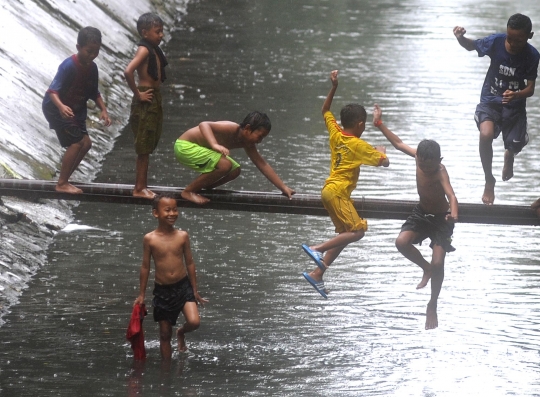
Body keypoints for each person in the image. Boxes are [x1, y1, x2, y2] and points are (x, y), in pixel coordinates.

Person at [301, 70, 389, 299]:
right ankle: (317, 249)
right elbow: (384, 163)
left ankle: (317, 274)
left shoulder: (336, 133)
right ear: (360, 124)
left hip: (329, 191)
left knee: (344, 233)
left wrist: (334, 87)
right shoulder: (358, 145)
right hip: (338, 193)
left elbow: (325, 110)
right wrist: (381, 151)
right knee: (358, 231)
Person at [373, 104, 458, 330]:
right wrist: (379, 124)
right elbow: (398, 143)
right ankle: (425, 268)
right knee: (401, 242)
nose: (425, 169)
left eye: (430, 166)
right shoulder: (417, 157)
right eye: (422, 164)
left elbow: (451, 194)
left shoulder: (440, 170)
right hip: (421, 214)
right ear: (418, 157)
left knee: (439, 261)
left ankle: (433, 303)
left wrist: (454, 215)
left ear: (439, 160)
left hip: (441, 219)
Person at [453, 14, 540, 205]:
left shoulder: (532, 56)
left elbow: (530, 89)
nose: (513, 43)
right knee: (486, 134)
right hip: (490, 100)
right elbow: (471, 46)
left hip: (514, 106)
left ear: (529, 36)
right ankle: (489, 180)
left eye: (519, 40)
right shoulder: (495, 42)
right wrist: (460, 38)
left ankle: (509, 155)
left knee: (515, 144)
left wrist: (516, 95)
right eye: (510, 38)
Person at [133, 193, 208, 359]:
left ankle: (181, 332)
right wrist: (141, 294)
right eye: (167, 210)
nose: (172, 213)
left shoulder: (182, 236)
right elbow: (145, 266)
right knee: (165, 335)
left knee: (194, 321)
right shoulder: (150, 239)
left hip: (183, 286)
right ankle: (165, 372)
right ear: (156, 213)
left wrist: (194, 289)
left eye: (175, 209)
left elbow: (189, 263)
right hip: (163, 290)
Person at [42, 26, 112, 194]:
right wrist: (61, 106)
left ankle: (66, 178)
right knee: (76, 143)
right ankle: (62, 183)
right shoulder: (68, 66)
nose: (92, 55)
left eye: (96, 52)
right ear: (78, 48)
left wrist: (103, 110)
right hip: (56, 108)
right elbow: (52, 91)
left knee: (87, 143)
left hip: (76, 110)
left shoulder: (92, 68)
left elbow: (94, 92)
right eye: (89, 51)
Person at [174, 111, 296, 204]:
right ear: (248, 129)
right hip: (185, 146)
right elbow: (204, 124)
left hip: (198, 150)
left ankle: (206, 186)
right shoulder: (231, 127)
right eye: (260, 136)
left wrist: (283, 187)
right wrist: (214, 144)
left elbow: (262, 164)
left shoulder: (248, 144)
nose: (260, 141)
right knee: (225, 165)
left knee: (235, 170)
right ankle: (188, 191)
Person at [124, 13, 168, 199]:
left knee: (149, 142)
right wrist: (138, 94)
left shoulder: (153, 49)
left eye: (162, 31)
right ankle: (139, 188)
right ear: (145, 33)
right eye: (157, 32)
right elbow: (127, 71)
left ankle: (143, 185)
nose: (161, 35)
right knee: (143, 144)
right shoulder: (143, 50)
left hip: (153, 97)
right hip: (146, 97)